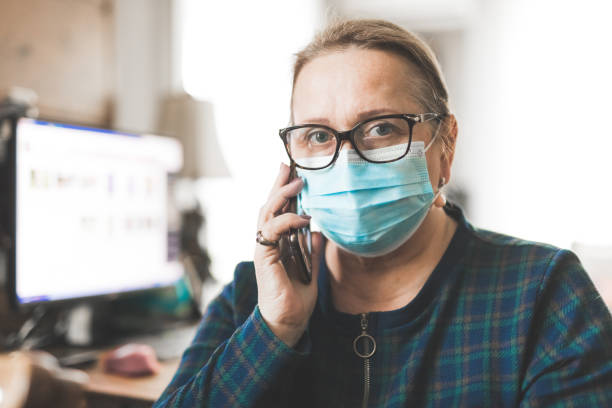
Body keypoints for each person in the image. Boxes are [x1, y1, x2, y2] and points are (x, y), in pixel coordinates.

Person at [154, 19, 612, 407]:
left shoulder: (542, 294)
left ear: (445, 147)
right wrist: (276, 328)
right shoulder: (252, 295)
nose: (346, 160)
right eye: (317, 135)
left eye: (382, 128)